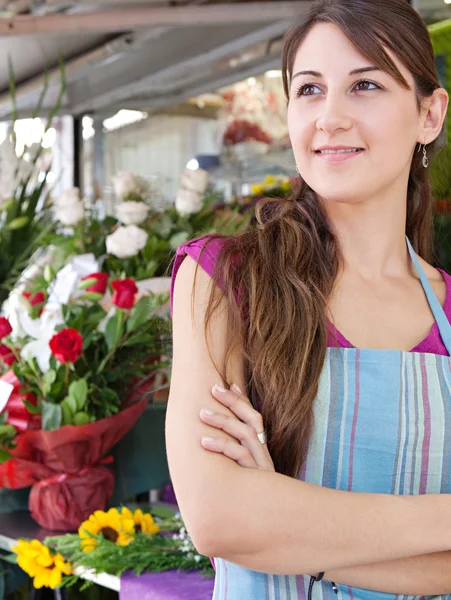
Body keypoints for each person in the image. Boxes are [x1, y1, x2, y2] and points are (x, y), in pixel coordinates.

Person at [166, 0, 451, 598]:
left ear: (430, 114)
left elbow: (250, 524)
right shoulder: (225, 280)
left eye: (365, 85)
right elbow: (218, 515)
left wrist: (285, 523)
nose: (331, 118)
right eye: (310, 90)